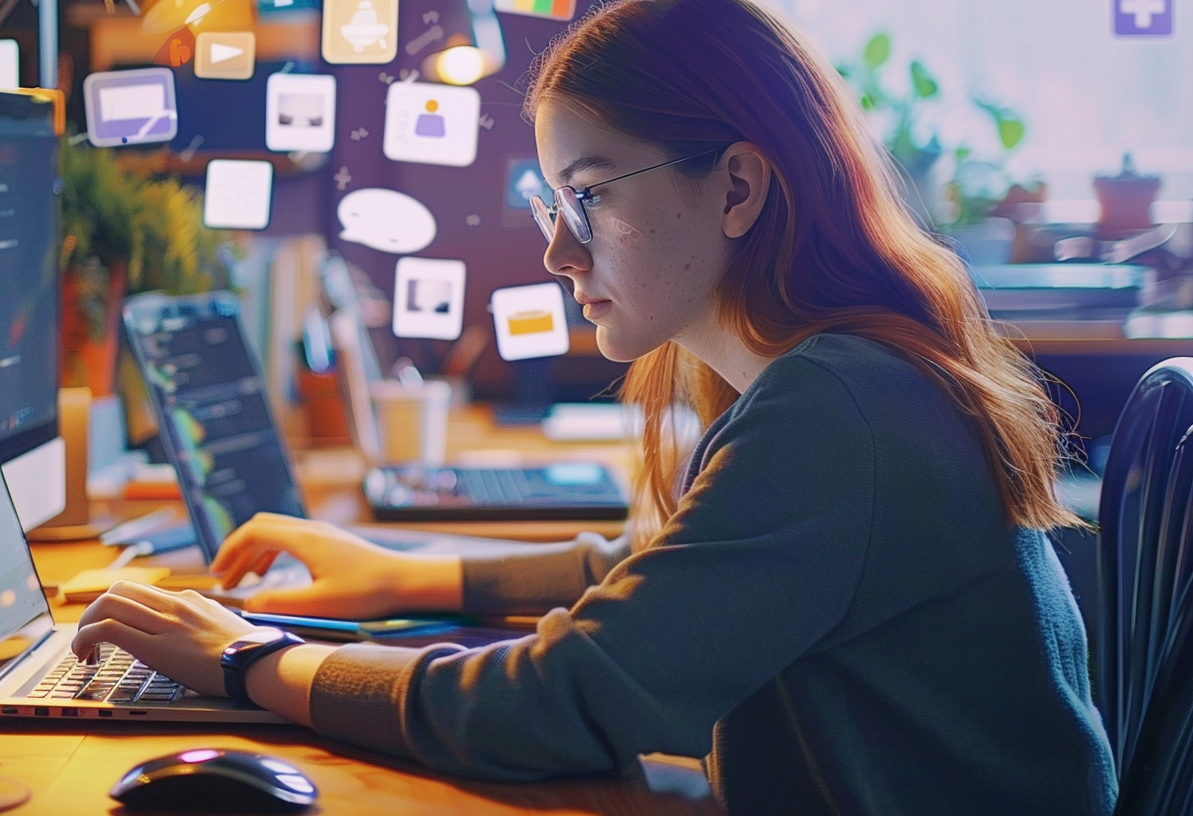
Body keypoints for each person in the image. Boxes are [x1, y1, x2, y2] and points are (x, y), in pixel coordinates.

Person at [72, 0, 1118, 811]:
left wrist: (247, 660)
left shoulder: (838, 408)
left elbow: (561, 702)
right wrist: (401, 572)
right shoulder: (826, 376)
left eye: (593, 193)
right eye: (554, 200)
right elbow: (666, 575)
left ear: (739, 189)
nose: (557, 251)